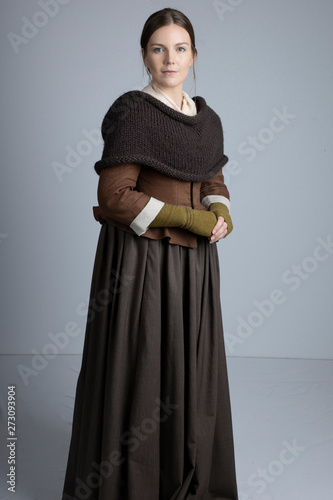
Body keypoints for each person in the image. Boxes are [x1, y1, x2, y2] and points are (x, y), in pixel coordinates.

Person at [62, 8, 238, 500]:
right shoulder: (132, 111)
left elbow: (211, 177)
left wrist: (220, 208)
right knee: (140, 371)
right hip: (141, 265)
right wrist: (188, 219)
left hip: (197, 268)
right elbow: (116, 197)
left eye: (180, 48)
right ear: (144, 54)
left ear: (194, 56)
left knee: (193, 374)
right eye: (159, 48)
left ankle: (186, 475)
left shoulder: (207, 119)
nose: (169, 58)